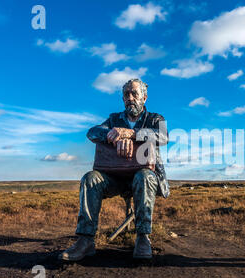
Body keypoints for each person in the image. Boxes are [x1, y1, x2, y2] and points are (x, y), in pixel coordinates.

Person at [59, 78, 169, 261]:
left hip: (144, 176)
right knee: (90, 178)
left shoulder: (156, 118)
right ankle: (85, 240)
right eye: (126, 94)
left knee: (144, 176)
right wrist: (112, 134)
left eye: (134, 93)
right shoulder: (113, 119)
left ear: (144, 97)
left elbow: (163, 136)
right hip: (115, 178)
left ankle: (143, 237)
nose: (130, 97)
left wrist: (131, 134)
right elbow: (92, 132)